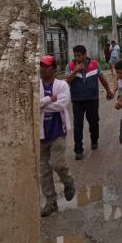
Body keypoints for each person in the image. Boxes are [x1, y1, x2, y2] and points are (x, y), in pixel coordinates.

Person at [39, 55, 76, 217]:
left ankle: (68, 182)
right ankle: (50, 202)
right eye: (41, 66)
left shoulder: (62, 85)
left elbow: (62, 105)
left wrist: (42, 105)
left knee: (57, 164)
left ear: (54, 69)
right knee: (44, 170)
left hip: (57, 131)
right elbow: (33, 105)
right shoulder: (36, 86)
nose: (42, 69)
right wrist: (48, 99)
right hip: (40, 134)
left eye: (46, 66)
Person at [64, 45, 114, 159]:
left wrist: (108, 91)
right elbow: (67, 80)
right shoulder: (70, 65)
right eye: (75, 55)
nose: (77, 58)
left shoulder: (95, 64)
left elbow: (102, 78)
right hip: (77, 100)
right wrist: (76, 69)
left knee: (94, 121)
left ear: (85, 54)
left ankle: (94, 140)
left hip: (92, 99)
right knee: (78, 125)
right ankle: (78, 150)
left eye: (79, 56)